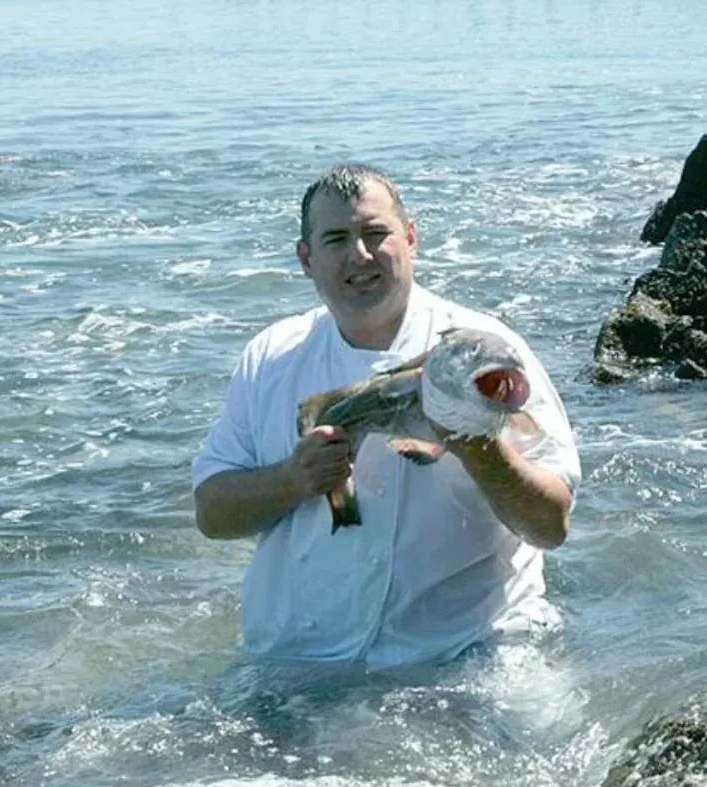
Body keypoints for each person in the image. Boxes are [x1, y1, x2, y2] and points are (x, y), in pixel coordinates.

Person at [192, 164, 580, 669]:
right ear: (306, 259)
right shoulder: (270, 357)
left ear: (411, 238)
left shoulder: (485, 350)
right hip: (298, 658)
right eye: (336, 239)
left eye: (376, 234)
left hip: (470, 650)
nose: (360, 254)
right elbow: (211, 514)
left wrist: (478, 445)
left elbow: (551, 525)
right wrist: (294, 479)